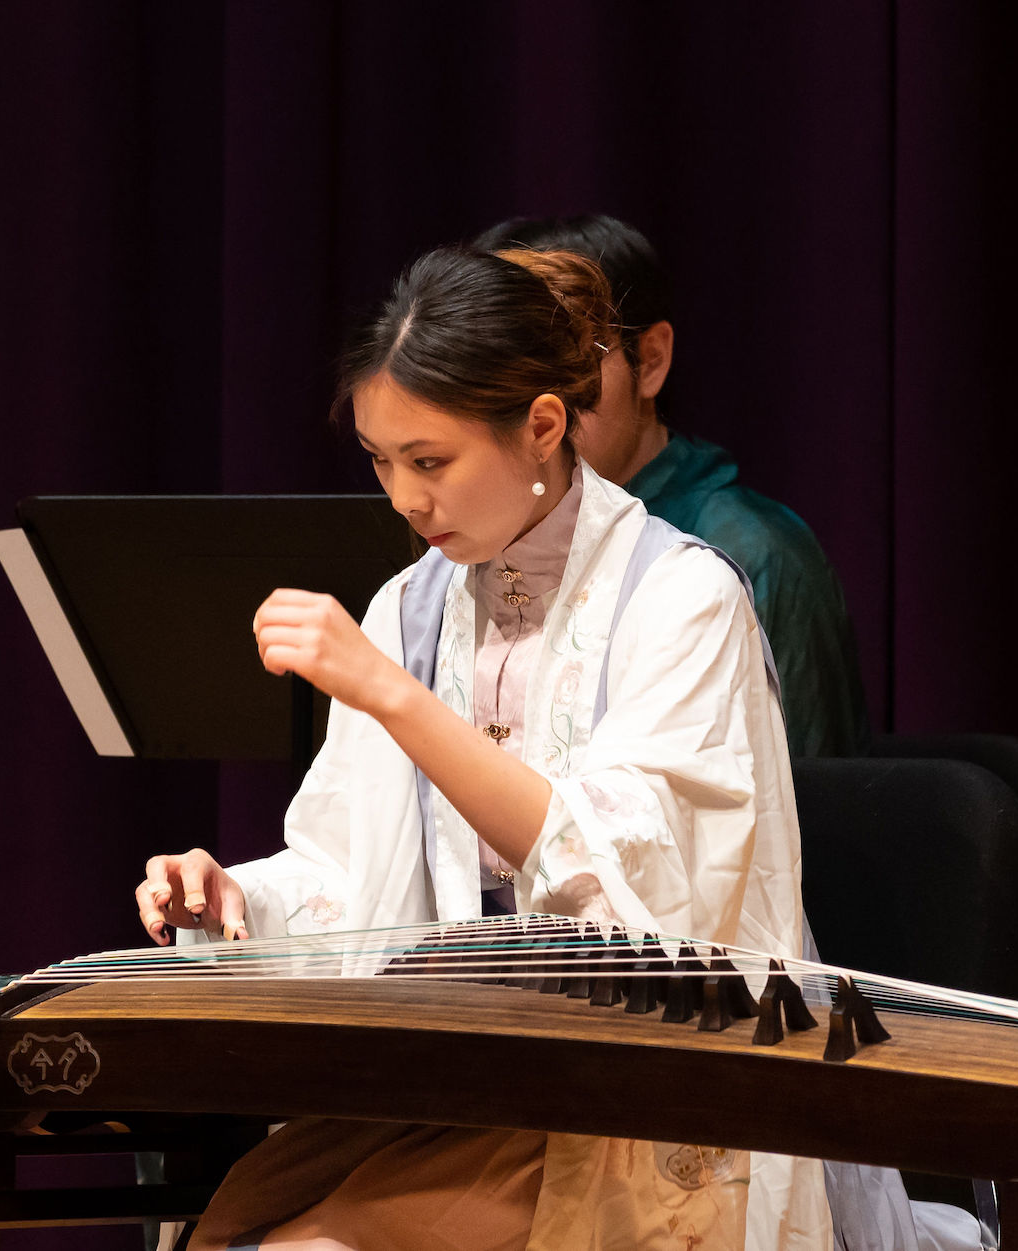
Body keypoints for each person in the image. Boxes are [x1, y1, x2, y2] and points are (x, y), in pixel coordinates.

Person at [131, 245, 933, 1251]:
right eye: (381, 461)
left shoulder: (683, 598)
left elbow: (637, 889)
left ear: (542, 427)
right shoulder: (408, 606)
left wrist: (392, 694)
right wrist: (243, 898)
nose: (403, 501)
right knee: (232, 1235)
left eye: (430, 462)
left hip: (635, 1095)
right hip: (462, 1080)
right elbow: (349, 872)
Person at [474, 214, 869, 759]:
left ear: (651, 361)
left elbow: (806, 816)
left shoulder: (753, 556)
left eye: (567, 367)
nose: (536, 409)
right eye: (501, 374)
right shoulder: (470, 544)